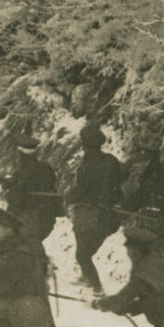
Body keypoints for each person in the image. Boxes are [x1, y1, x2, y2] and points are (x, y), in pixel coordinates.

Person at [66, 124, 124, 293]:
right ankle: (86, 277)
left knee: (82, 254)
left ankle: (97, 289)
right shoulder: (110, 160)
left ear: (84, 145)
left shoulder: (89, 165)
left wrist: (68, 196)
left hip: (93, 214)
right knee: (84, 249)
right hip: (111, 214)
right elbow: (121, 178)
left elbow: (81, 189)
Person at [3, 132, 64, 243]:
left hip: (29, 220)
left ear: (20, 153)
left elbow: (15, 202)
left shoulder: (21, 172)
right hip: (47, 219)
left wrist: (7, 190)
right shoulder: (46, 167)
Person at [120, 136, 164, 233]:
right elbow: (135, 201)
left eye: (144, 161)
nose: (138, 167)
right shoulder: (146, 182)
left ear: (154, 162)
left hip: (161, 233)